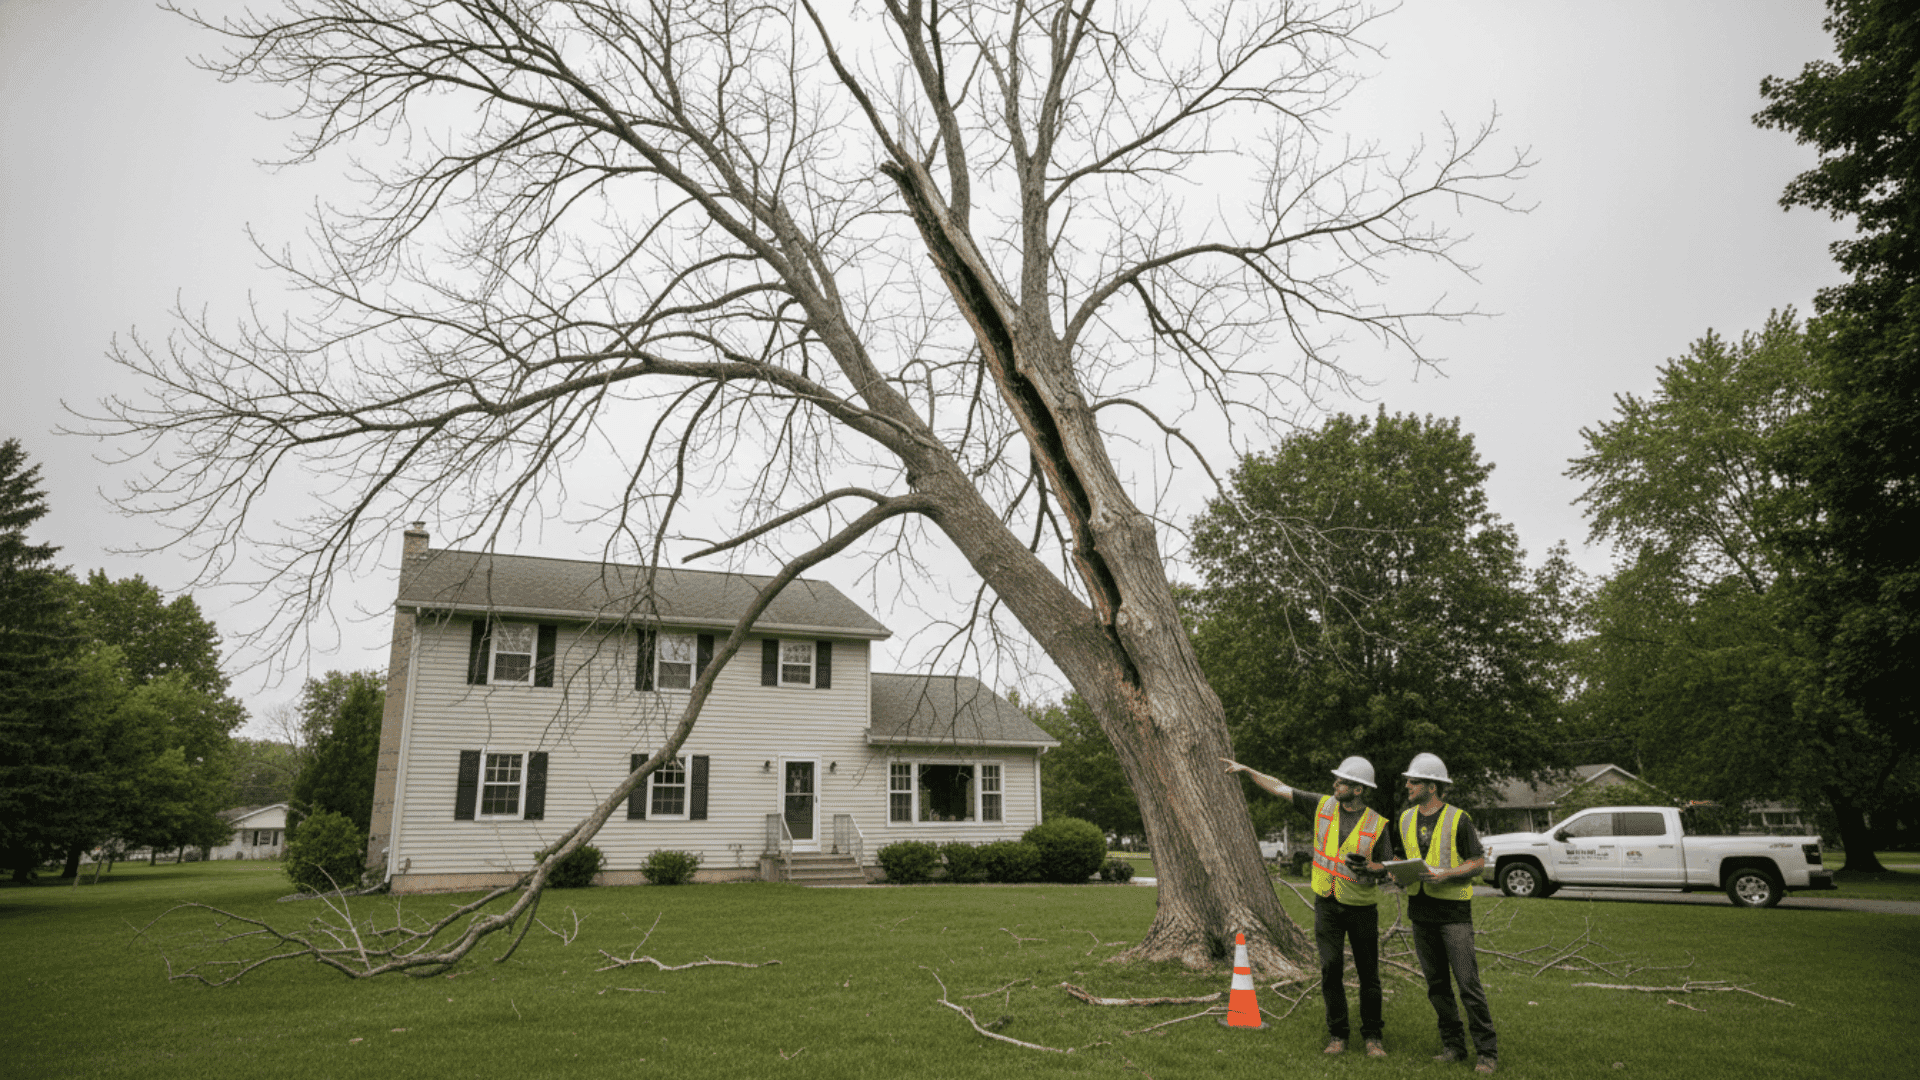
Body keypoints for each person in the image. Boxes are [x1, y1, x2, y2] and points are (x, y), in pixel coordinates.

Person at [1222, 755, 1394, 1058]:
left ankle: (1373, 1037)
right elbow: (1280, 788)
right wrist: (1248, 771)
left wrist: (1370, 867)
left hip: (1362, 907)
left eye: (1341, 782)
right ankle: (1338, 1035)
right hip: (1327, 904)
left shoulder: (1377, 824)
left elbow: (1387, 866)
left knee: (1369, 975)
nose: (1335, 784)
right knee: (1330, 969)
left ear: (1357, 790)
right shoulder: (1322, 805)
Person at [1399, 753, 1499, 1074]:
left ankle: (1487, 1052)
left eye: (1414, 781)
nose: (1407, 785)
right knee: (1437, 985)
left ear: (1432, 786)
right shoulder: (1405, 818)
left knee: (1468, 984)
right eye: (1408, 781)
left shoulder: (1459, 819)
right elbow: (1405, 858)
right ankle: (1453, 1046)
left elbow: (1477, 862)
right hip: (1420, 913)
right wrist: (1397, 872)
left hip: (1453, 914)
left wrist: (1446, 874)